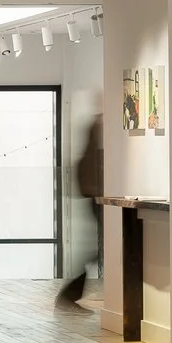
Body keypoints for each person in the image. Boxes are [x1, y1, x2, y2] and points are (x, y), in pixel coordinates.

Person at [57, 114, 104, 305]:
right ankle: (69, 295)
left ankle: (70, 295)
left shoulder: (91, 152)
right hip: (97, 202)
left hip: (96, 202)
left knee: (99, 249)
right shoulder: (95, 153)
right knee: (99, 250)